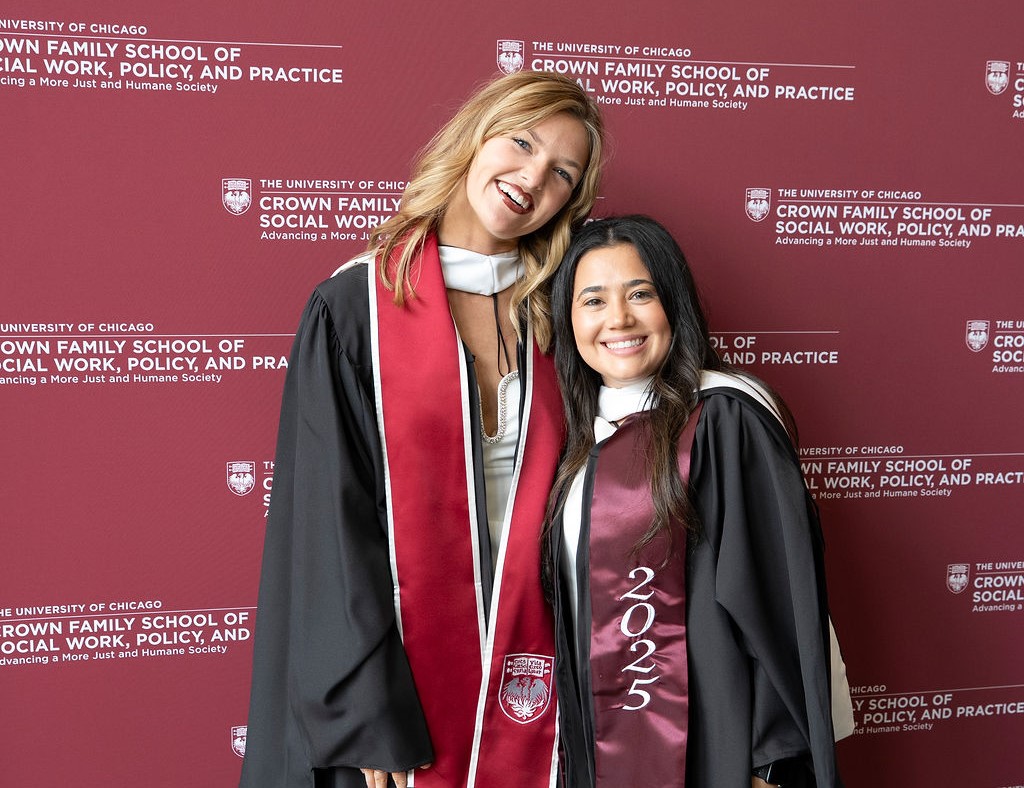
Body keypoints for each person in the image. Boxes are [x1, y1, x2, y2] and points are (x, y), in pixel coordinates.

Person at [239, 71, 604, 788]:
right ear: (476, 135)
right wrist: (366, 714)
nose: (532, 178)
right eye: (522, 143)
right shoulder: (355, 309)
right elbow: (329, 526)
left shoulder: (567, 313)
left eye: (562, 172)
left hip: (542, 664)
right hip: (398, 675)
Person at [544, 216, 843, 787]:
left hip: (716, 744)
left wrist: (770, 763)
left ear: (672, 305)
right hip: (598, 742)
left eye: (640, 294)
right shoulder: (574, 446)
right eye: (593, 300)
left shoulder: (723, 422)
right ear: (569, 320)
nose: (619, 319)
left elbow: (777, 603)